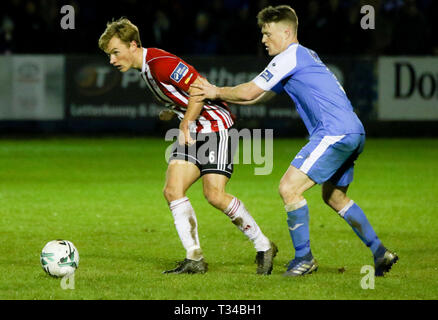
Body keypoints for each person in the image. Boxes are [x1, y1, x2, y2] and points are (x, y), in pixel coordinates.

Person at [191, 5, 398, 277]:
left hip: (334, 132)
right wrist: (220, 98)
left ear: (286, 32)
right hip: (353, 131)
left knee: (289, 188)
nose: (263, 40)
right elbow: (257, 96)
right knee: (335, 197)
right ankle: (380, 252)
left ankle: (304, 259)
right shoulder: (304, 56)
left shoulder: (290, 55)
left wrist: (215, 90)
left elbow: (251, 89)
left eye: (267, 33)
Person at [98, 18, 277, 275]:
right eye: (109, 55)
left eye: (116, 52)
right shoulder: (147, 69)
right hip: (192, 130)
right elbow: (182, 97)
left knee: (214, 195)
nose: (112, 60)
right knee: (173, 190)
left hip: (215, 127)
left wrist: (187, 121)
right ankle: (194, 258)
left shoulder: (160, 63)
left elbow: (198, 87)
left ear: (133, 44)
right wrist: (173, 113)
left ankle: (263, 245)